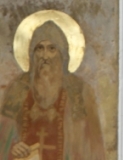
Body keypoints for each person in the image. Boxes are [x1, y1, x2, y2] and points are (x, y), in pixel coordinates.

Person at [0, 21, 106, 159]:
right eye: (39, 48)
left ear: (63, 54)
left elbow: (93, 145)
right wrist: (13, 147)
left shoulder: (79, 92)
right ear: (32, 55)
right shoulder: (17, 89)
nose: (45, 56)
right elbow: (3, 137)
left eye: (51, 48)